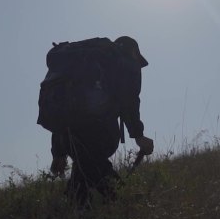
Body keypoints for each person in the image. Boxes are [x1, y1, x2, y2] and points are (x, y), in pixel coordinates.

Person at [49, 36, 154, 207]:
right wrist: (139, 136)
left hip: (68, 136)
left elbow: (62, 110)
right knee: (100, 174)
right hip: (99, 132)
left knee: (83, 174)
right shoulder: (125, 63)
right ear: (134, 51)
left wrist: (59, 151)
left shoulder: (79, 66)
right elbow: (130, 102)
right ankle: (125, 207)